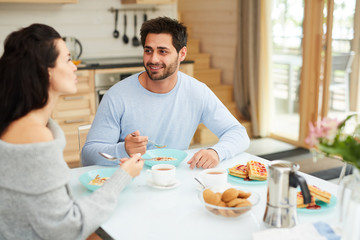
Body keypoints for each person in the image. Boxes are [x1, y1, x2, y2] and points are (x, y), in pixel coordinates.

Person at [0, 24, 144, 240]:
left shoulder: (20, 122)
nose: (75, 67)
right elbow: (69, 228)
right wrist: (123, 176)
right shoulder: (34, 136)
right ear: (45, 70)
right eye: (68, 59)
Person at [81, 17, 250, 169]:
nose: (153, 59)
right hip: (128, 181)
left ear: (182, 54)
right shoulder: (117, 95)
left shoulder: (196, 92)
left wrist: (216, 152)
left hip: (173, 180)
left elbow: (238, 133)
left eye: (162, 51)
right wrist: (123, 149)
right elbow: (88, 155)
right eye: (148, 50)